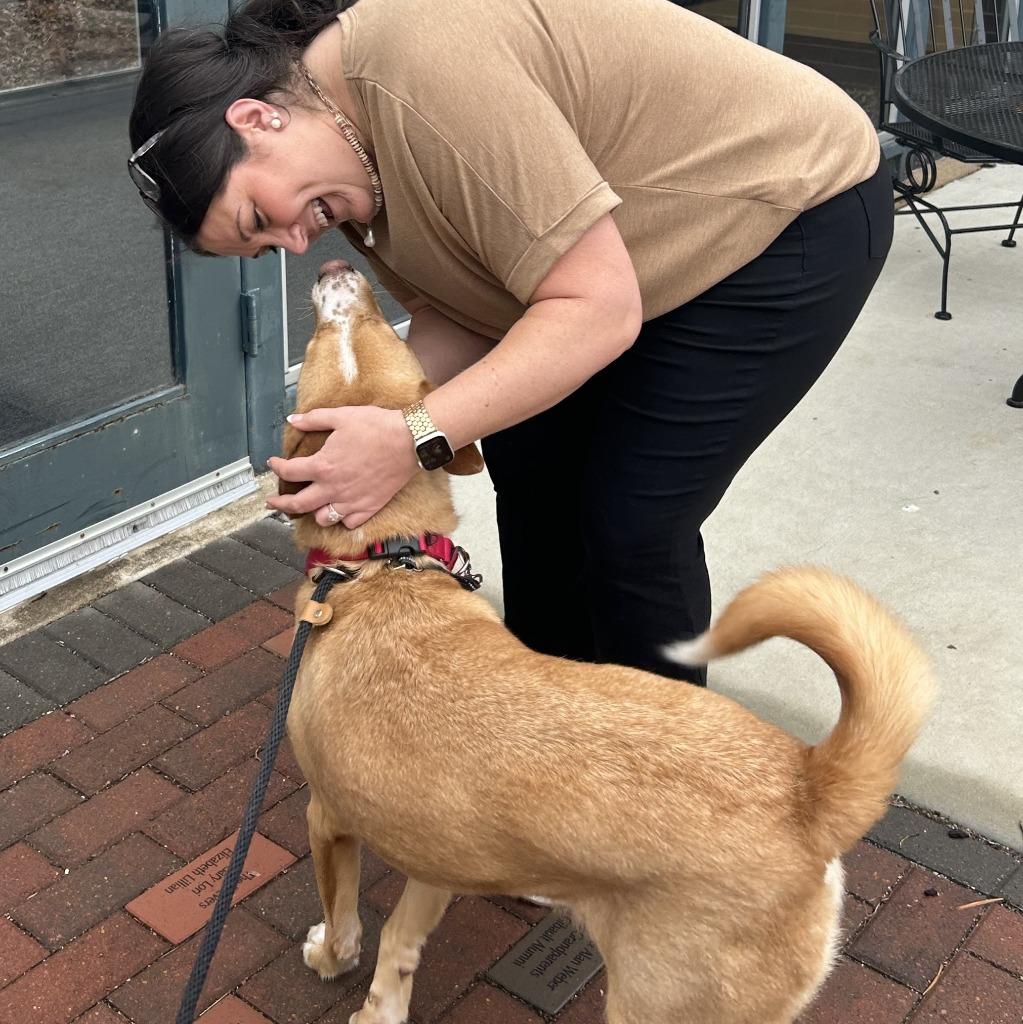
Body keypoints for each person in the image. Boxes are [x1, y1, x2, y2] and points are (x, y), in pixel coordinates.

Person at [128, 0, 893, 686]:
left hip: (784, 213)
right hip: (616, 264)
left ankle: (654, 799)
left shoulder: (417, 70)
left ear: (257, 119)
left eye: (261, 219)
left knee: (629, 525)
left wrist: (412, 435)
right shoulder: (341, 160)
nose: (295, 243)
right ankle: (547, 740)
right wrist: (364, 425)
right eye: (267, 248)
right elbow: (467, 308)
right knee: (532, 483)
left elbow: (595, 310)